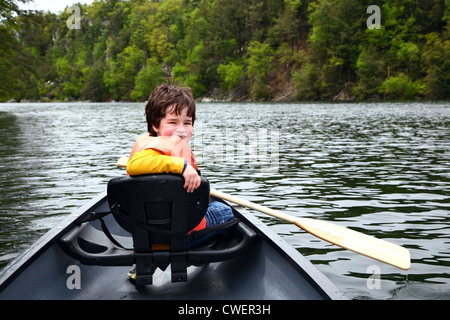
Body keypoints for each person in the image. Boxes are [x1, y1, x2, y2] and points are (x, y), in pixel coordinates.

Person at [126, 83, 235, 247]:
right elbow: (134, 165)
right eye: (173, 122)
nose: (181, 130)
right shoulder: (154, 152)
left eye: (187, 123)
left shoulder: (158, 148)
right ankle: (205, 252)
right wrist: (182, 166)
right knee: (225, 210)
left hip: (151, 237)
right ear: (155, 125)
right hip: (183, 235)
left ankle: (156, 258)